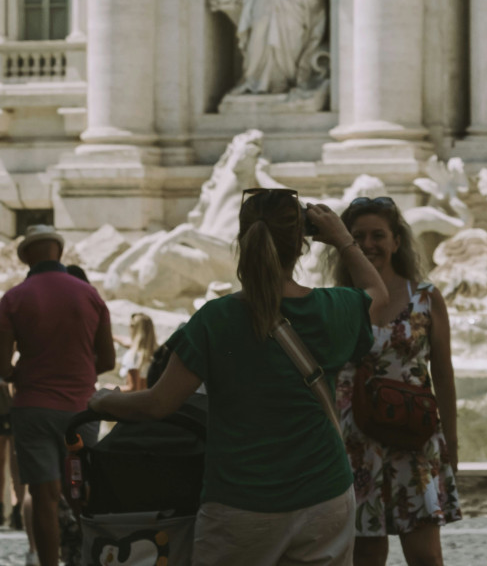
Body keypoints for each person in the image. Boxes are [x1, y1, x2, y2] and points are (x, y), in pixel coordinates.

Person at [89, 189, 387, 564]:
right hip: (324, 495)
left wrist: (103, 400)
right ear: (302, 245)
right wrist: (343, 239)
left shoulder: (215, 320)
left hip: (242, 503)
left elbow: (157, 404)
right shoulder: (331, 309)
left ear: (242, 241)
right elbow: (378, 295)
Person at [332, 196, 462, 566]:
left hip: (415, 437)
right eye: (358, 238)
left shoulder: (425, 296)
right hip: (354, 440)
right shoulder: (338, 301)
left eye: (378, 235)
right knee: (366, 555)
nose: (369, 244)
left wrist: (450, 440)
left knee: (425, 556)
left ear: (396, 241)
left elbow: (444, 372)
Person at [0, 225, 115, 566]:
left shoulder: (14, 299)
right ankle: (94, 559)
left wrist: (27, 372)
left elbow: (3, 366)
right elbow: (107, 360)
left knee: (44, 495)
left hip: (33, 407)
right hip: (81, 409)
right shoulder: (90, 295)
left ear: (26, 259)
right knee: (83, 494)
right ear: (59, 253)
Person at [113, 313, 157, 392]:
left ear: (134, 328)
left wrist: (108, 388)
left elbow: (132, 388)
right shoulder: (154, 355)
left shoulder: (133, 356)